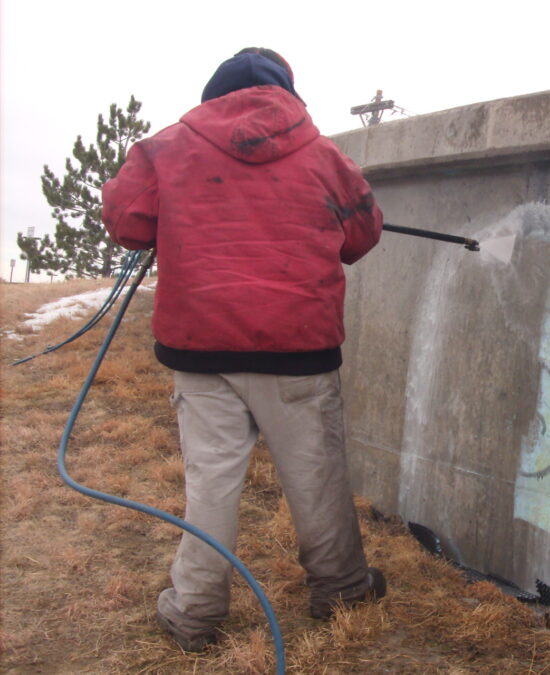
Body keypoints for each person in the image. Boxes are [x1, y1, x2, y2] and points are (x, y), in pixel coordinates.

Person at [102, 47, 385, 653]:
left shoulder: (165, 147)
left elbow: (126, 220)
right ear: (287, 95)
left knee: (210, 483)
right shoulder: (323, 153)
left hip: (201, 346)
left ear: (214, 95)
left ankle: (194, 612)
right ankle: (340, 590)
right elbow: (362, 235)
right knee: (317, 478)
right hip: (299, 349)